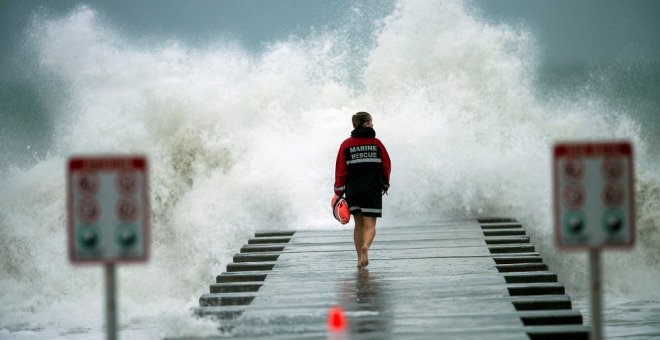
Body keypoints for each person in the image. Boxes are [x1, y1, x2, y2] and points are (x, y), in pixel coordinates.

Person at [334, 112, 391, 269]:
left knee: (358, 224)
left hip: (353, 189)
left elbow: (340, 169)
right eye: (371, 122)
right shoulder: (377, 144)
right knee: (370, 225)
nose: (372, 124)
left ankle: (359, 257)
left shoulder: (346, 145)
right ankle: (366, 246)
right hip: (372, 188)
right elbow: (386, 166)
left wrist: (338, 191)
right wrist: (385, 184)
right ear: (365, 124)